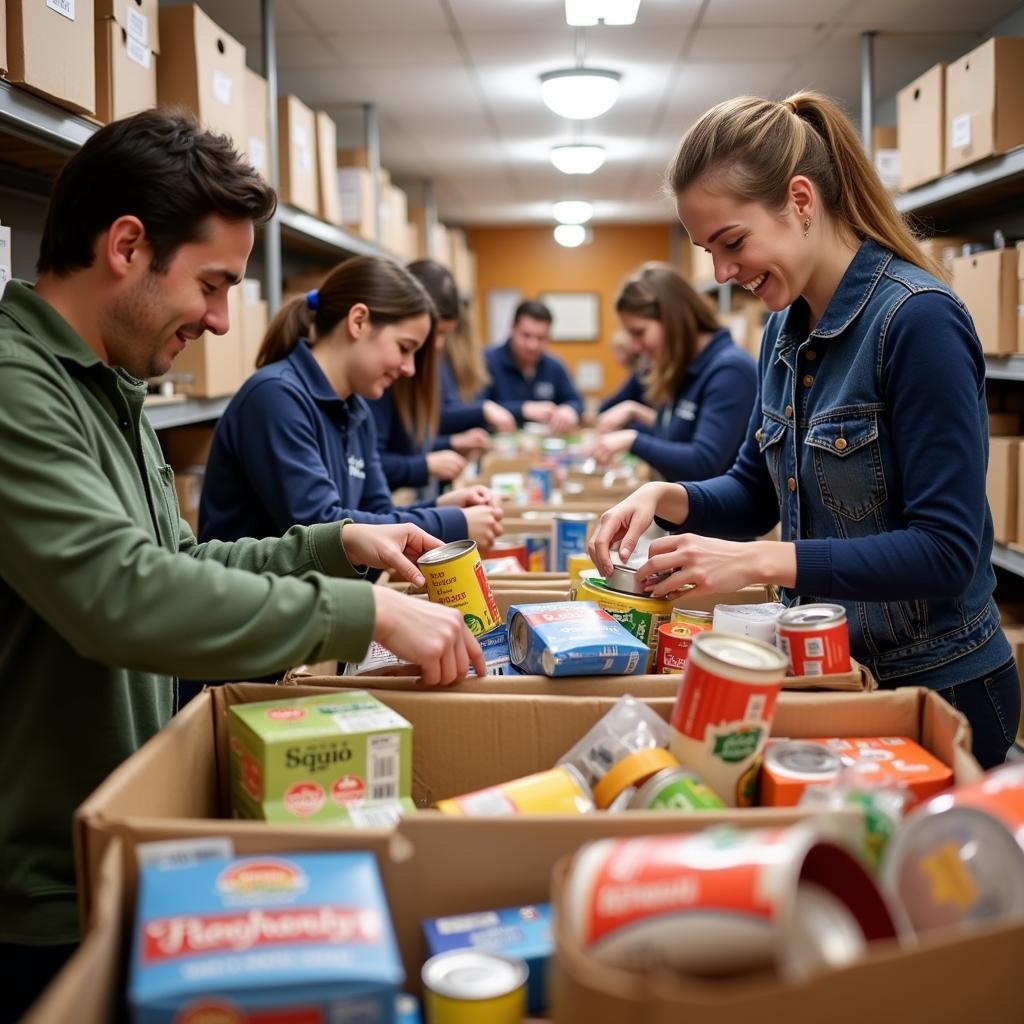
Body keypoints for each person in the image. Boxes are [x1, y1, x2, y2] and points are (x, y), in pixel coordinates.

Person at [0, 109, 484, 1021]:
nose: (225, 320)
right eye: (214, 284)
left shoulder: (112, 388)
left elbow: (177, 560)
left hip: (114, 836)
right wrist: (363, 614)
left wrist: (330, 544)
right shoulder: (16, 388)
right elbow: (118, 595)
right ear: (128, 245)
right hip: (35, 893)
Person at [590, 90, 1019, 770]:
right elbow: (756, 493)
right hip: (834, 669)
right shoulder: (783, 333)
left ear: (800, 200)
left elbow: (947, 552)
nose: (723, 274)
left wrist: (761, 561)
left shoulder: (917, 321)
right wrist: (662, 499)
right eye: (708, 251)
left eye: (732, 242)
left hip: (941, 687)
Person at [199, 255, 503, 550]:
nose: (409, 368)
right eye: (404, 348)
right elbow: (323, 530)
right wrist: (448, 522)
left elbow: (378, 514)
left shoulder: (357, 410)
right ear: (358, 322)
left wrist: (441, 505)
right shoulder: (276, 397)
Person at [590, 263, 757, 481]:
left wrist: (632, 440)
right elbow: (673, 436)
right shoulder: (686, 367)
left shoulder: (730, 371)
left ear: (672, 319)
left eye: (640, 333)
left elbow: (703, 463)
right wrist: (635, 415)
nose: (636, 347)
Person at [370, 259, 514, 493]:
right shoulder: (381, 376)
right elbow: (371, 465)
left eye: (445, 334)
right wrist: (425, 465)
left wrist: (451, 443)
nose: (437, 345)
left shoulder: (423, 365)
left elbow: (411, 441)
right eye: (434, 333)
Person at [479, 299, 583, 434]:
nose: (532, 346)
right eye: (526, 336)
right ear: (512, 329)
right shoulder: (487, 361)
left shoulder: (555, 366)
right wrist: (524, 409)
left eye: (541, 338)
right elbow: (477, 406)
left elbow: (576, 400)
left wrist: (569, 410)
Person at [596, 327, 650, 417]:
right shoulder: (638, 369)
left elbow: (620, 398)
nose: (616, 356)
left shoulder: (642, 371)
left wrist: (597, 409)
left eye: (620, 351)